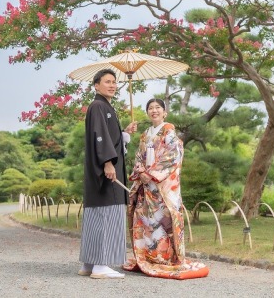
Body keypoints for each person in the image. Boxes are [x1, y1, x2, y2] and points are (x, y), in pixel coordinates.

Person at [122, 98, 209, 279]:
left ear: (164, 112)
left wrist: (152, 174)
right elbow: (138, 157)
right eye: (150, 108)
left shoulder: (169, 131)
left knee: (164, 219)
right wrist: (141, 172)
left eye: (157, 108)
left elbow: (173, 156)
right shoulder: (145, 134)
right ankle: (149, 256)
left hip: (161, 184)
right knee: (146, 219)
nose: (154, 111)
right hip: (146, 183)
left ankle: (167, 257)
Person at [78, 68, 137, 279]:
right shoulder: (98, 106)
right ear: (96, 85)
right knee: (107, 215)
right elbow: (100, 137)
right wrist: (108, 162)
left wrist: (124, 133)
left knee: (96, 217)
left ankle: (89, 264)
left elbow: (109, 137)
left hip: (100, 173)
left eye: (114, 82)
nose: (112, 85)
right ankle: (101, 266)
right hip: (105, 171)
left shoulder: (104, 107)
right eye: (107, 81)